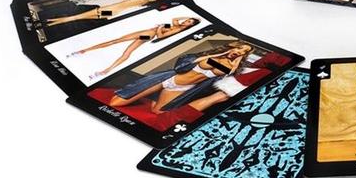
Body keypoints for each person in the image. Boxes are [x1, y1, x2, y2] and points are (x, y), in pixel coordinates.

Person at [108, 43, 253, 114]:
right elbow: (182, 65)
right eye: (240, 48)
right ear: (234, 46)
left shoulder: (230, 67)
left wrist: (237, 62)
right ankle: (154, 92)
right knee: (115, 103)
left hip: (183, 88)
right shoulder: (212, 55)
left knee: (157, 112)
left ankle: (156, 96)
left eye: (244, 52)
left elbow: (228, 75)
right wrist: (218, 54)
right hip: (170, 78)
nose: (239, 51)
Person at [69, 17, 201, 79]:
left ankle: (83, 51)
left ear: (191, 26)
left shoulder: (178, 29)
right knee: (127, 52)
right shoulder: (178, 25)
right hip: (148, 34)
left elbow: (161, 36)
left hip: (148, 34)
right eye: (188, 20)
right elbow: (175, 19)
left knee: (116, 41)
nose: (186, 21)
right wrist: (163, 25)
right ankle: (105, 71)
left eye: (189, 22)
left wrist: (159, 28)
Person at [42, 0, 178, 27]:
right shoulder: (143, 1)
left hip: (110, 10)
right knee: (77, 18)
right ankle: (49, 22)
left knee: (76, 17)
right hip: (111, 11)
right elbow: (126, 1)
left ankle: (49, 22)